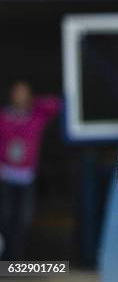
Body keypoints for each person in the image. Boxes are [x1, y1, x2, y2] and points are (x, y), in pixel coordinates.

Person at [0, 82, 61, 260]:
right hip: (6, 175)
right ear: (11, 96)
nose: (21, 97)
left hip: (27, 177)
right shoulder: (4, 117)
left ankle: (17, 259)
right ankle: (5, 259)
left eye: (25, 94)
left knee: (24, 220)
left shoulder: (36, 116)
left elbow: (57, 105)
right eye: (18, 94)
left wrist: (33, 102)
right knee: (5, 218)